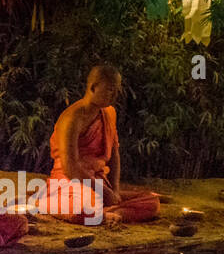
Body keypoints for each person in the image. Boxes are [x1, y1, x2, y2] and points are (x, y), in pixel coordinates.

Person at [34, 65, 159, 225]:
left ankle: (112, 213)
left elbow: (114, 156)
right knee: (82, 208)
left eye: (117, 90)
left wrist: (113, 189)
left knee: (152, 202)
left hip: (99, 183)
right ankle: (52, 202)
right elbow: (70, 167)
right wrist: (104, 192)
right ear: (93, 87)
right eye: (111, 90)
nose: (116, 95)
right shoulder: (72, 119)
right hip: (70, 184)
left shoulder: (109, 113)